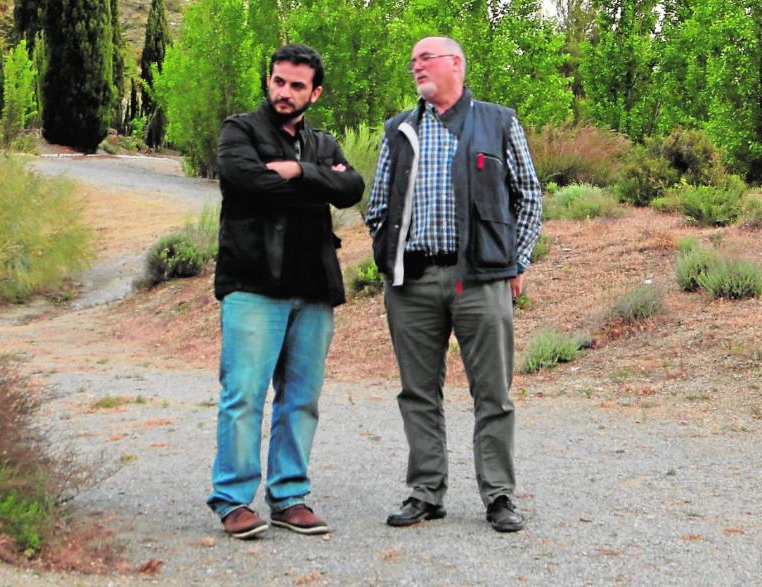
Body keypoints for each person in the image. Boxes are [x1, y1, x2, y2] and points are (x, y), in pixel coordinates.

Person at [365, 36, 542, 533]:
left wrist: (515, 261)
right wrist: (389, 256)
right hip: (412, 283)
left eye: (426, 58)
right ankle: (426, 492)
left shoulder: (498, 121)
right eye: (412, 60)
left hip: (481, 280)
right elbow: (377, 207)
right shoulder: (398, 129)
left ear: (456, 64)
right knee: (417, 393)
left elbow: (528, 197)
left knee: (493, 394)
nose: (416, 66)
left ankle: (499, 496)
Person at [208, 44, 364, 539]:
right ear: (269, 81)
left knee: (301, 398)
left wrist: (298, 171)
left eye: (297, 85)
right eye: (278, 81)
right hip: (254, 283)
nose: (284, 92)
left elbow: (352, 188)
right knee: (244, 396)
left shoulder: (322, 143)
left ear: (314, 93)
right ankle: (233, 501)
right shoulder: (240, 130)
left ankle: (289, 496)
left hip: (313, 287)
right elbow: (246, 182)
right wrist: (320, 185)